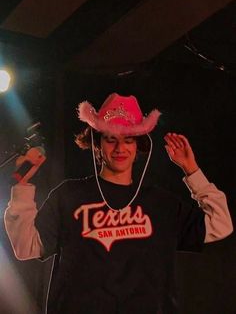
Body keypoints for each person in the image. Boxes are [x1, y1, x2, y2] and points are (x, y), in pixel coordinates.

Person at [4, 93, 233, 314]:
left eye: (128, 139)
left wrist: (192, 171)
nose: (120, 148)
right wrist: (22, 186)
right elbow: (26, 247)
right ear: (97, 145)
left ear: (138, 146)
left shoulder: (161, 203)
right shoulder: (69, 195)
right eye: (111, 139)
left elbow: (221, 223)